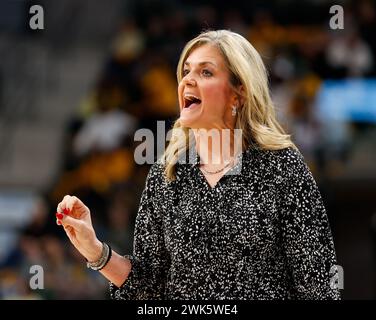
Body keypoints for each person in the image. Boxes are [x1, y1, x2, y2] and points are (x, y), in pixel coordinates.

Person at [56, 30, 340, 300]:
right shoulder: (166, 172)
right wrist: (95, 251)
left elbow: (318, 285)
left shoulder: (282, 167)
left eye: (206, 72)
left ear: (238, 93)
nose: (187, 80)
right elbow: (148, 286)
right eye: (186, 70)